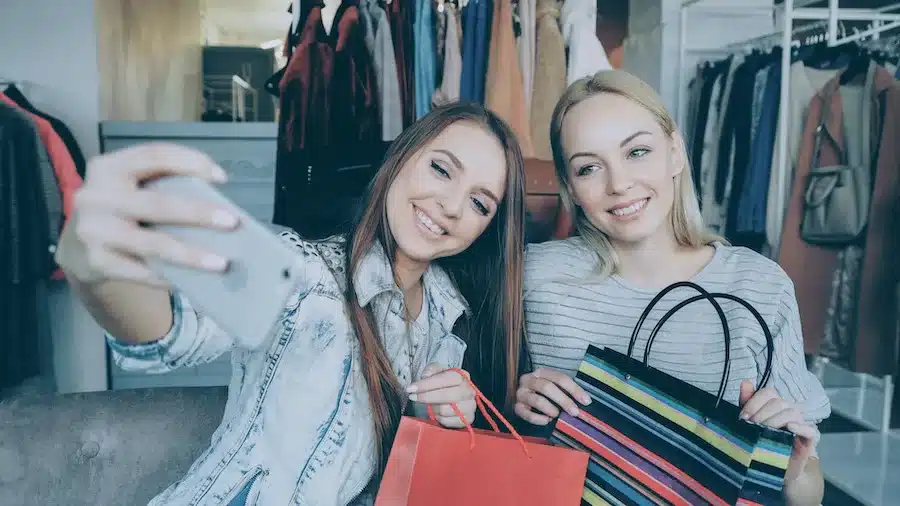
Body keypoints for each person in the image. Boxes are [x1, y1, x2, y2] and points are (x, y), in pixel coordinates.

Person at [55, 102, 529, 506]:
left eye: (480, 204)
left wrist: (448, 413)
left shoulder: (449, 314)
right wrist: (98, 273)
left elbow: (402, 466)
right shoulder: (304, 275)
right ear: (402, 158)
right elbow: (173, 334)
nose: (450, 205)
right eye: (442, 169)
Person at [514, 70, 830, 505]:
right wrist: (517, 401)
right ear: (570, 187)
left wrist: (794, 468)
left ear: (675, 152)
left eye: (637, 152)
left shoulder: (758, 287)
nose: (619, 183)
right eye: (589, 167)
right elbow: (478, 417)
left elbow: (808, 494)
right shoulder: (535, 277)